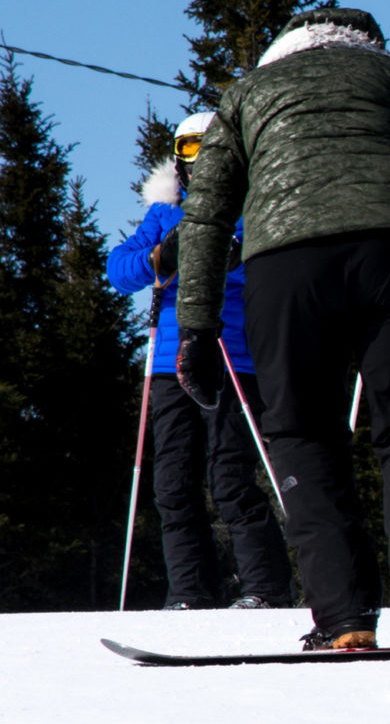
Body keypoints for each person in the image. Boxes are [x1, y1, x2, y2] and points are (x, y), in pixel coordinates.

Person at [172, 7, 390, 659]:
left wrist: (197, 326)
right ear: (367, 42)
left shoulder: (248, 92)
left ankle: (343, 617)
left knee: (302, 430)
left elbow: (208, 209)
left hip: (286, 264)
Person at [107, 112, 292, 611]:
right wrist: (160, 260)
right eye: (192, 153)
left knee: (230, 478)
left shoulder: (256, 212)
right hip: (170, 363)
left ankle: (266, 588)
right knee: (172, 483)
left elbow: (273, 276)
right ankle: (191, 592)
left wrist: (229, 263)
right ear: (179, 162)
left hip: (232, 356)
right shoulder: (165, 216)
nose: (203, 164)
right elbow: (119, 270)